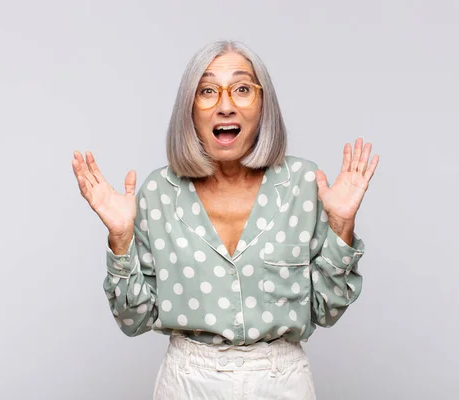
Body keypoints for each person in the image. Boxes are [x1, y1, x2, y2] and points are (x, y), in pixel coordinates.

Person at [72, 40, 379, 399]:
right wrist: (121, 239)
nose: (226, 106)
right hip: (188, 383)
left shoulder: (304, 186)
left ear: (263, 105)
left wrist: (342, 226)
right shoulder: (159, 193)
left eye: (242, 89)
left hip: (281, 383)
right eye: (207, 91)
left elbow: (325, 310)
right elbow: (133, 319)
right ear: (190, 108)